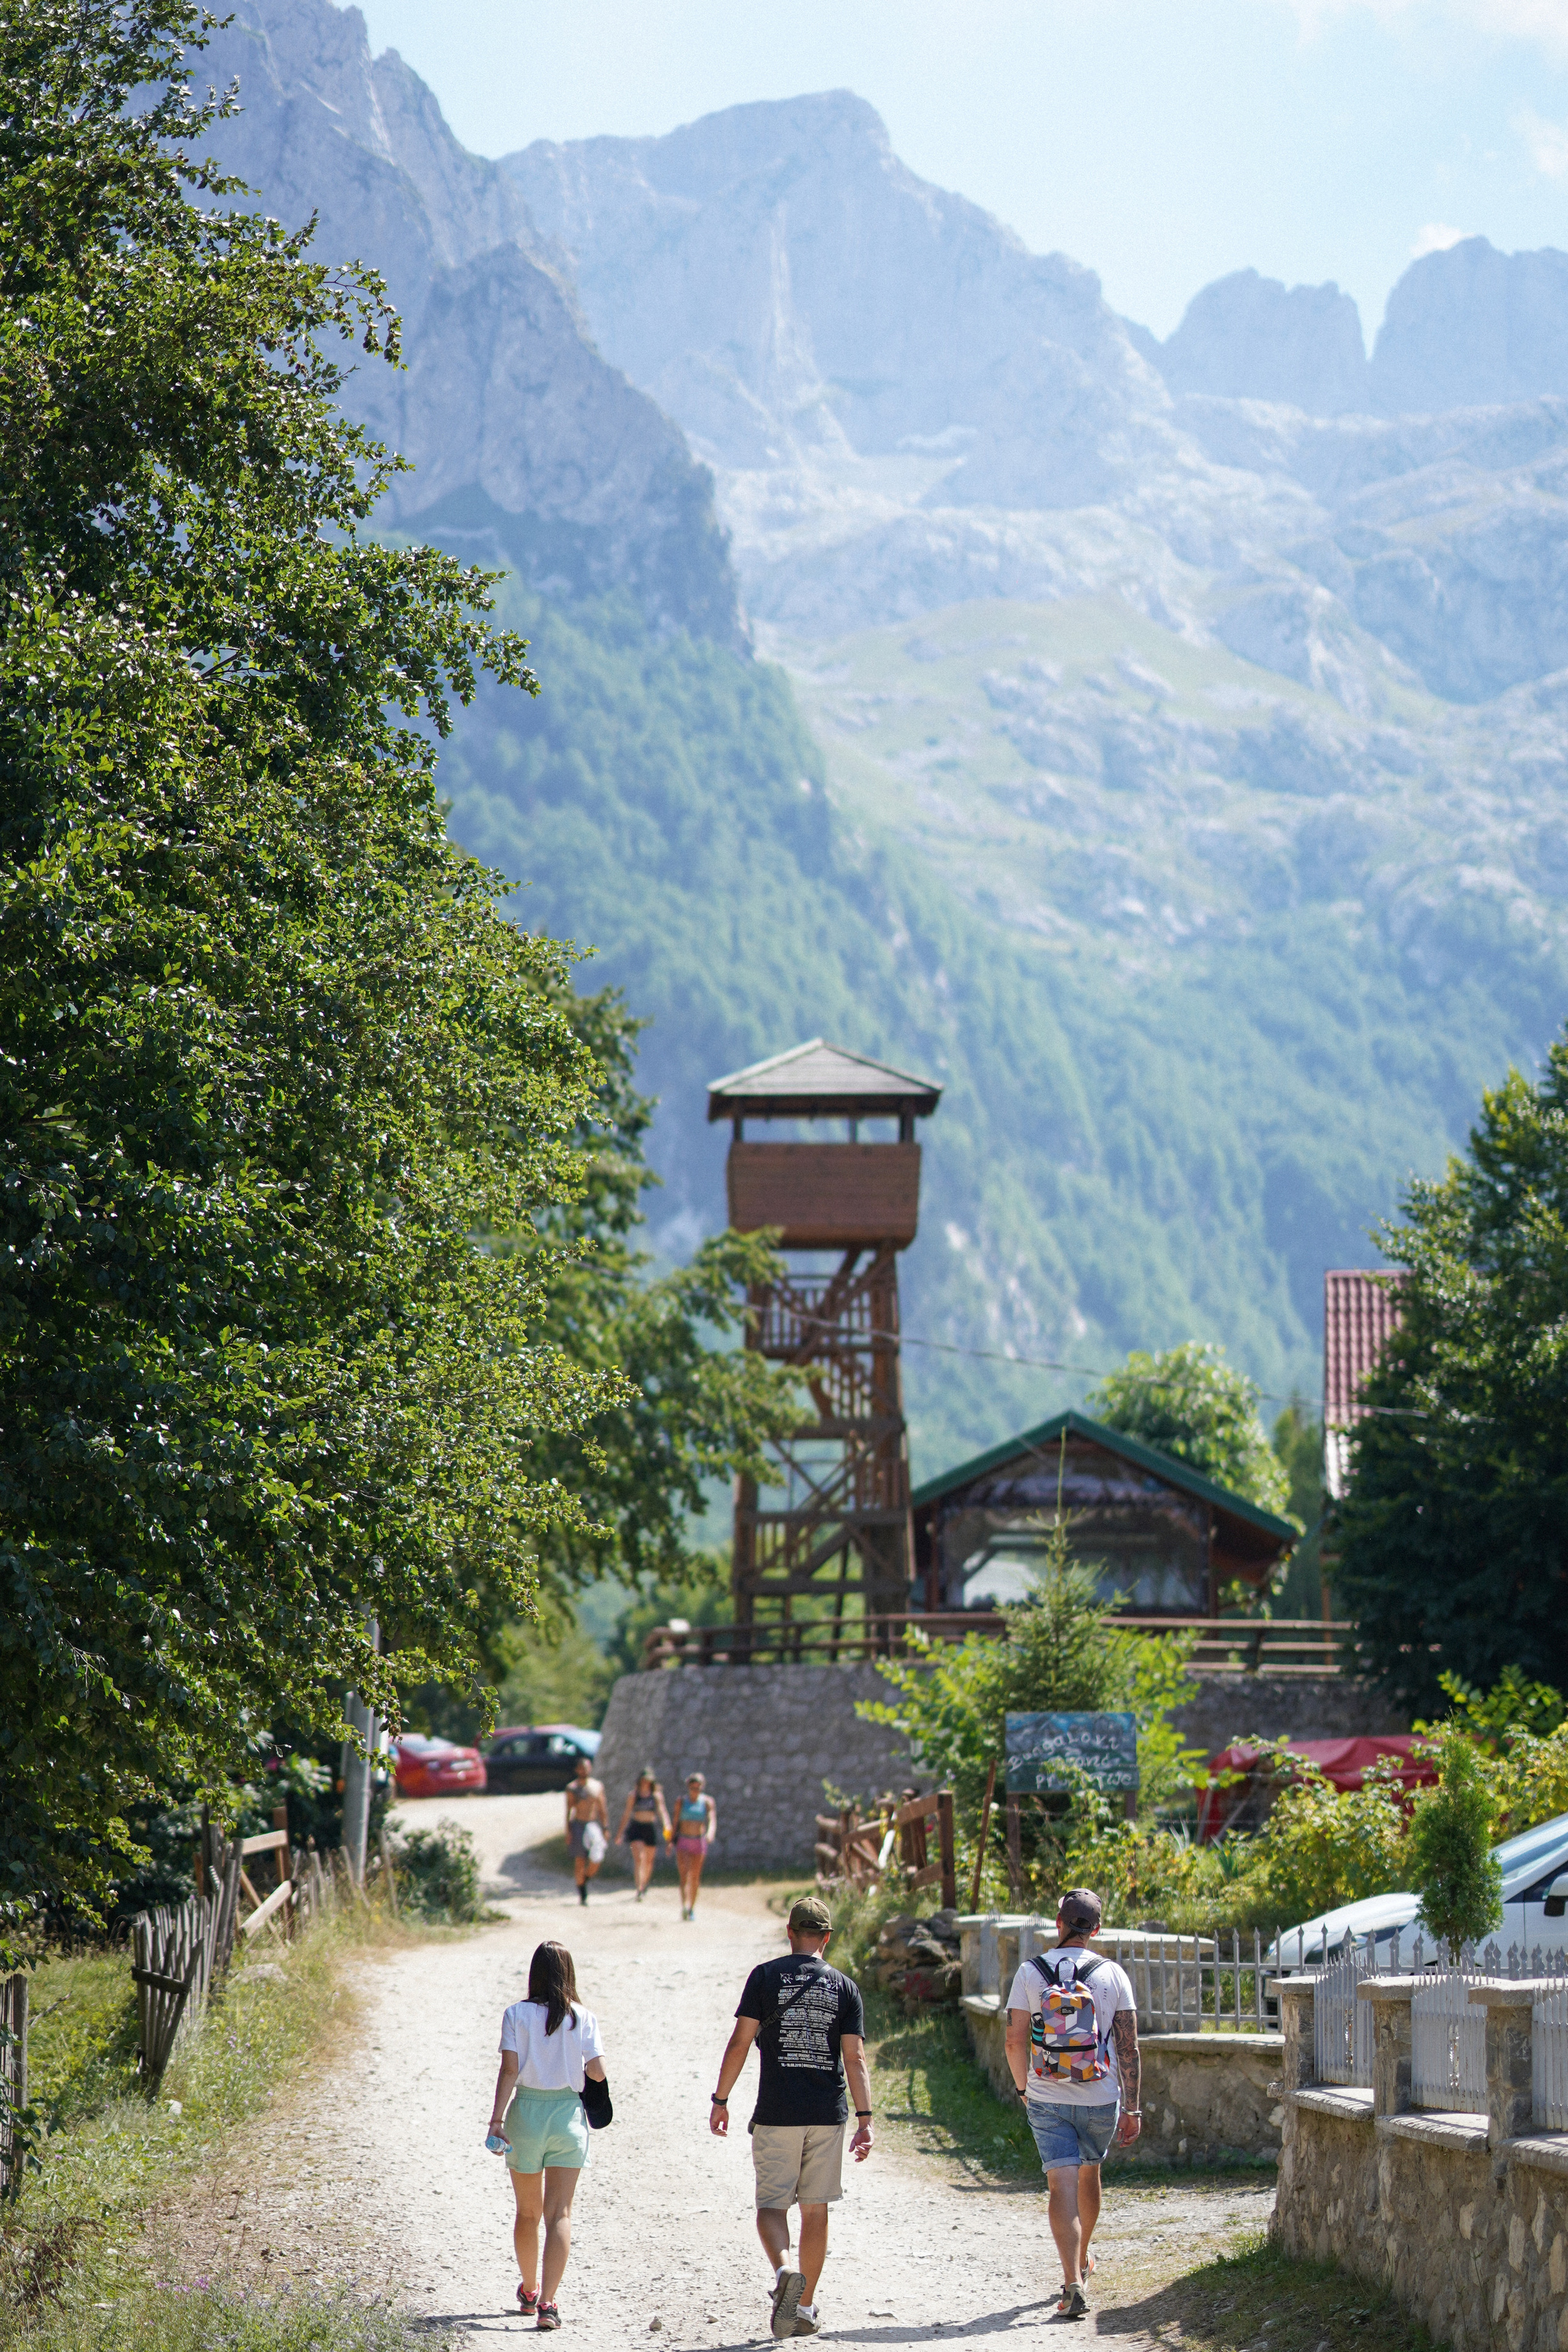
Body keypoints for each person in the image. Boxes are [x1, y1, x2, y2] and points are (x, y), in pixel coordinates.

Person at [709, 1894, 873, 2340]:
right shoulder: (845, 1987)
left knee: (771, 2205)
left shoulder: (764, 1977)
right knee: (815, 2211)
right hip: (826, 2112)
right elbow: (854, 2058)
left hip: (777, 2111)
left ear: (790, 1933)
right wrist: (865, 2118)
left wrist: (720, 2099)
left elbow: (740, 2043)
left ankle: (784, 2272)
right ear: (827, 1938)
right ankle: (803, 2306)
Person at [1003, 1887, 1140, 2320]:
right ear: (1097, 1929)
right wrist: (1133, 2109)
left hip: (1047, 2095)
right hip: (1101, 2095)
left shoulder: (1030, 1972)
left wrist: (1025, 2089)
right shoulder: (1113, 1974)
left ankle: (1072, 2282)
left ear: (1058, 1923)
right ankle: (1083, 2259)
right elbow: (1130, 2048)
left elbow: (1013, 2040)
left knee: (1060, 2184)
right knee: (1090, 2173)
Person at [487, 1939, 609, 2332]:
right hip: (568, 2117)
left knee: (527, 2212)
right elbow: (598, 2071)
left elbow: (509, 2070)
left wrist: (496, 2120)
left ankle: (528, 2290)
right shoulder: (583, 2017)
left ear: (534, 1974)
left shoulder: (515, 2015)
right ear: (569, 1975)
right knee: (560, 2214)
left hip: (525, 2114)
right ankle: (550, 2305)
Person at [616, 1767, 671, 1900]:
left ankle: (645, 1884)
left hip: (649, 1828)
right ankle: (639, 1888)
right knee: (639, 1859)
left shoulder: (656, 1796)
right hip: (637, 1828)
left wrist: (667, 1830)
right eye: (644, 1780)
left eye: (648, 1780)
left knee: (649, 1861)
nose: (646, 1782)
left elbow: (662, 1813)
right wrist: (620, 1834)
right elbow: (627, 1814)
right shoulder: (634, 1796)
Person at [564, 1752, 608, 1904]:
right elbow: (569, 1811)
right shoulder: (572, 1788)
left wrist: (605, 1827)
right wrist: (568, 1831)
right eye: (582, 1768)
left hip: (592, 1824)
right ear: (577, 1770)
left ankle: (585, 1879)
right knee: (580, 1860)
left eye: (587, 1768)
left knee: (597, 1858)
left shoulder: (597, 1786)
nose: (584, 1771)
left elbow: (602, 1809)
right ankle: (582, 1894)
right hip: (578, 1824)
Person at [674, 1771, 716, 1920]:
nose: (695, 1791)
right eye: (693, 1788)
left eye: (698, 1788)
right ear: (688, 1787)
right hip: (684, 1841)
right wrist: (670, 1841)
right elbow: (675, 1822)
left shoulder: (707, 1802)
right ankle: (684, 1906)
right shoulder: (681, 1801)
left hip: (699, 1841)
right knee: (684, 1875)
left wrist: (711, 1833)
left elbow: (712, 1819)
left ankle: (691, 1907)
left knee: (695, 1877)